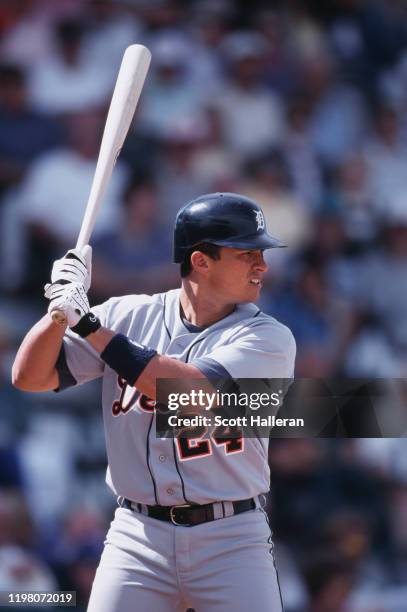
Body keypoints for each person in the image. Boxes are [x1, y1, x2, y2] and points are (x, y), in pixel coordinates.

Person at [12, 192, 296, 612]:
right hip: (137, 535)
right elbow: (29, 377)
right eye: (247, 254)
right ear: (201, 261)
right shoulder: (128, 315)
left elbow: (186, 392)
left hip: (231, 538)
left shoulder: (267, 336)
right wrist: (57, 312)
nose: (262, 266)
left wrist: (87, 323)